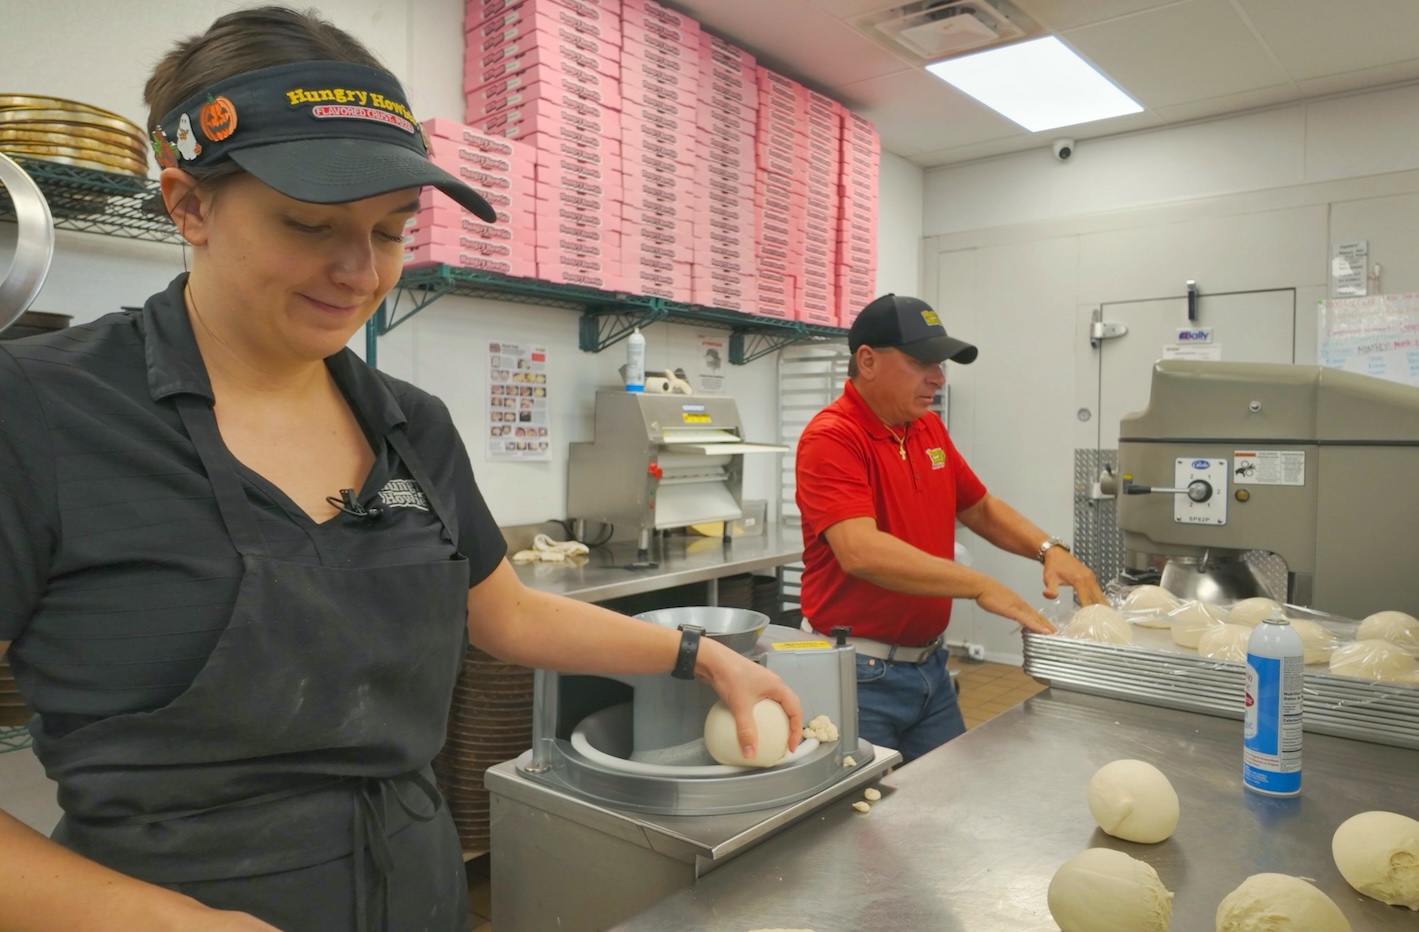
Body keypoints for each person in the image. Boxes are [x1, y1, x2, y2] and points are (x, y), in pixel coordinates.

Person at [0, 9, 799, 932]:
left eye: (389, 231)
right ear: (188, 206)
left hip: (416, 892)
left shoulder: (409, 424)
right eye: (308, 224)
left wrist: (699, 659)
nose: (357, 271)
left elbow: (504, 612)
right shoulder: (41, 412)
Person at [795, 294, 1104, 763]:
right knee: (861, 826)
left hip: (930, 670)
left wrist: (1048, 549)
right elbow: (860, 551)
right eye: (922, 362)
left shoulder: (925, 429)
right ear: (868, 360)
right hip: (858, 675)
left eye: (940, 364)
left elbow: (977, 506)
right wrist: (978, 586)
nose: (937, 378)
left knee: (947, 806)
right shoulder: (833, 438)